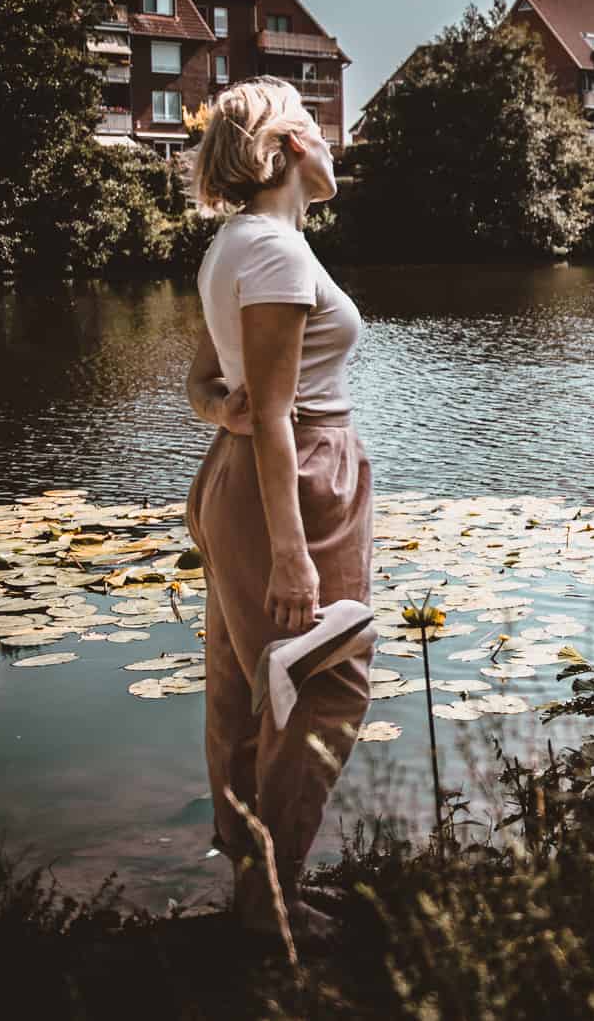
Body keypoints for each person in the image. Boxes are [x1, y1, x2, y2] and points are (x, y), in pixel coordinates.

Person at [182, 76, 370, 948]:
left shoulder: (237, 244)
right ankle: (274, 896)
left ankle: (256, 886)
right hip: (294, 482)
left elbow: (205, 383)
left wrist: (228, 413)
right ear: (293, 146)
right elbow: (275, 414)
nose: (333, 145)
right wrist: (294, 555)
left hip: (246, 475)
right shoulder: (277, 254)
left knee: (245, 686)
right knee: (321, 679)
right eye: (320, 130)